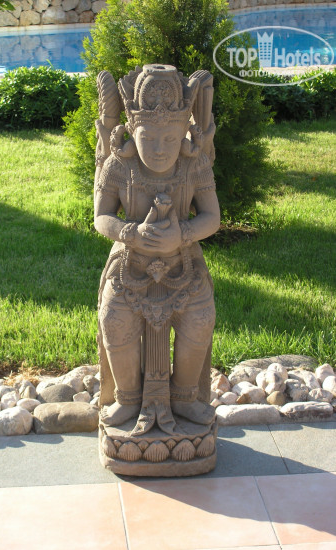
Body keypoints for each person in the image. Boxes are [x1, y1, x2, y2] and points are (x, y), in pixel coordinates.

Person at [94, 64, 220, 433]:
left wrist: (183, 234)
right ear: (133, 131)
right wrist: (131, 233)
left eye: (170, 138)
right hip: (129, 264)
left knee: (200, 318)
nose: (160, 149)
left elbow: (212, 216)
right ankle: (127, 397)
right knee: (115, 319)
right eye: (149, 139)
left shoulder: (194, 163)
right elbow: (101, 217)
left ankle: (184, 397)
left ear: (183, 133)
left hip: (184, 263)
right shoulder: (119, 165)